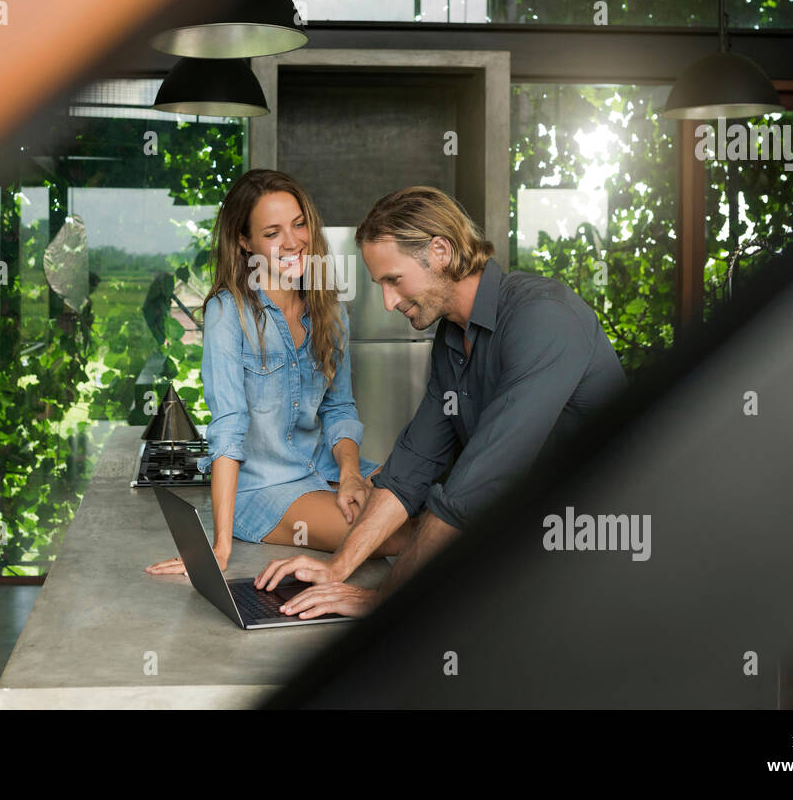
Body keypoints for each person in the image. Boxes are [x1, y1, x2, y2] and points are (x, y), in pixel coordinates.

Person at [256, 185, 629, 616]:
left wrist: (383, 602)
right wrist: (337, 568)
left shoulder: (545, 318)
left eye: (393, 280)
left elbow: (474, 487)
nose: (389, 301)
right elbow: (409, 470)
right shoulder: (452, 337)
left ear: (440, 252)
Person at [145, 170, 418, 577]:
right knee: (394, 534)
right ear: (245, 241)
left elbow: (339, 406)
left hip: (325, 468)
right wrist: (219, 547)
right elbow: (229, 427)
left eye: (299, 224)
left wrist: (349, 475)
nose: (292, 242)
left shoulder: (331, 311)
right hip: (266, 487)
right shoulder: (228, 312)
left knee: (429, 501)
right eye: (272, 233)